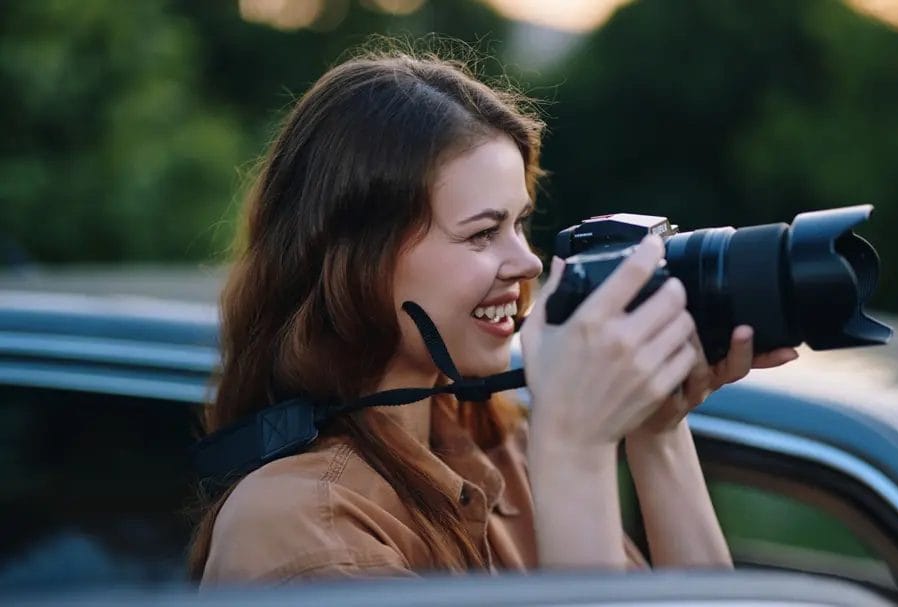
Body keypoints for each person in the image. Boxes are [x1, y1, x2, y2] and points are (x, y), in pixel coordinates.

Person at [188, 45, 798, 585]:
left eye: (519, 223)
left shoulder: (500, 450)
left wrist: (657, 431)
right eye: (482, 234)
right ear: (355, 260)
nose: (528, 262)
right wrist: (576, 448)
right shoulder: (299, 530)